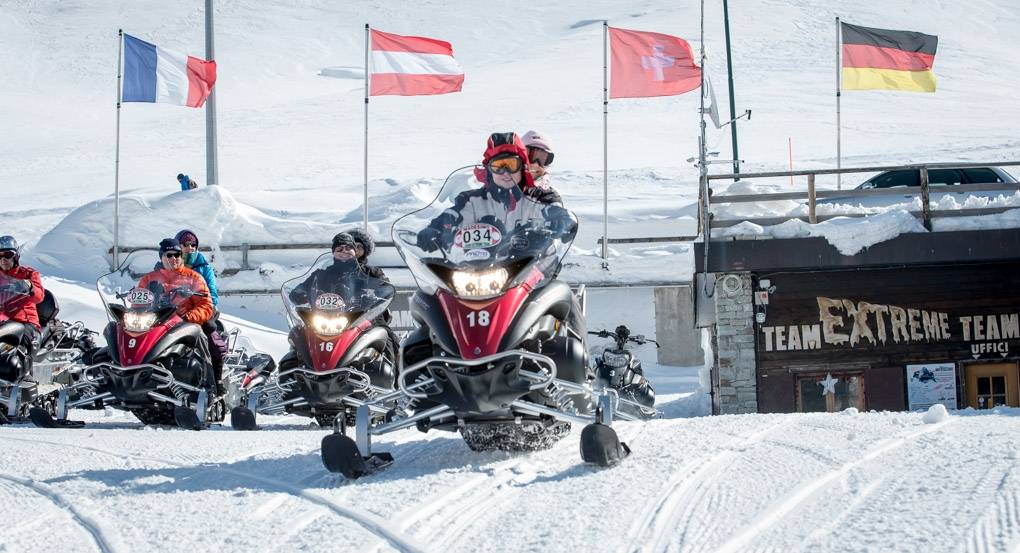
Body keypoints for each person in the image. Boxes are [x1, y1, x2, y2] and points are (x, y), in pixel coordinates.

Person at [416, 132, 572, 253]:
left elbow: (558, 211)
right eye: (499, 166)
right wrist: (435, 229)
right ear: (489, 170)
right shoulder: (471, 201)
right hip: (479, 273)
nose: (506, 173)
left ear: (522, 167)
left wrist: (563, 221)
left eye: (512, 165)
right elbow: (452, 216)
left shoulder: (541, 198)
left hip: (531, 274)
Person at [137, 239, 217, 388]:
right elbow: (138, 303)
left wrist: (188, 317)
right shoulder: (148, 279)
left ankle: (209, 384)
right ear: (161, 256)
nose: (174, 258)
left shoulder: (194, 277)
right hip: (154, 323)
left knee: (199, 334)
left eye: (177, 254)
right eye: (169, 255)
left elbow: (206, 305)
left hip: (183, 322)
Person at [0, 235, 45, 379]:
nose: (3, 259)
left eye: (7, 255)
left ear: (16, 256)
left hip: (25, 322)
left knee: (22, 347)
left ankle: (26, 378)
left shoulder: (28, 274)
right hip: (4, 321)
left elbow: (39, 296)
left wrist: (29, 286)